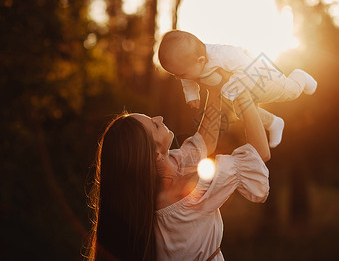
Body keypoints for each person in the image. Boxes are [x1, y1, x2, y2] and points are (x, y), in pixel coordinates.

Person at [85, 72, 271, 260]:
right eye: (154, 125)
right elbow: (260, 153)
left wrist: (213, 88)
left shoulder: (148, 190)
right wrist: (245, 96)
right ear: (155, 154)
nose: (159, 117)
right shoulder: (193, 188)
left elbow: (205, 141)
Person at [157, 30, 317, 148]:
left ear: (200, 61)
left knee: (291, 92)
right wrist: (191, 94)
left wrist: (232, 87)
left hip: (263, 78)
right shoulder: (189, 66)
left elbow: (247, 66)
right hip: (243, 90)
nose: (179, 77)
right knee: (241, 111)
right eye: (175, 74)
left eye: (181, 74)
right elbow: (187, 79)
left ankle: (300, 77)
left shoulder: (224, 55)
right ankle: (274, 123)